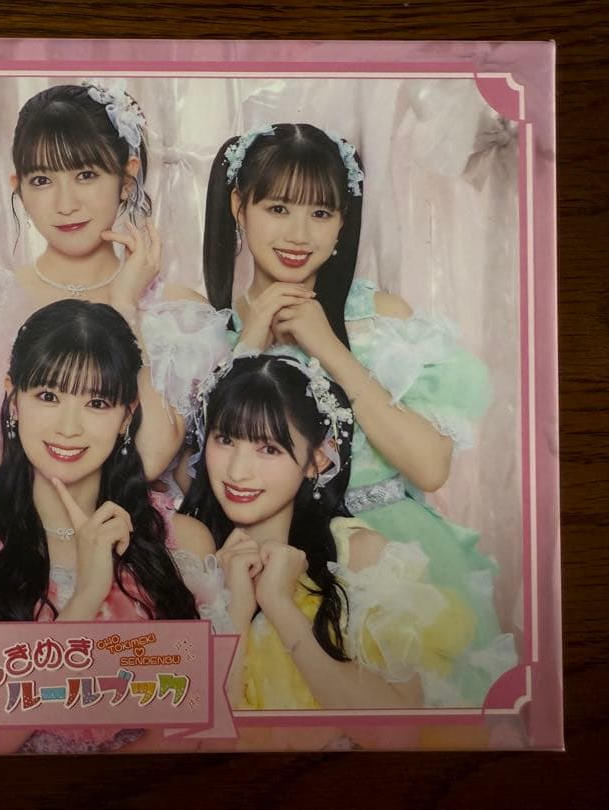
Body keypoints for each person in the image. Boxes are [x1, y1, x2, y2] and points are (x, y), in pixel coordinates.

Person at [199, 123, 515, 705]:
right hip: (263, 558)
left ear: (343, 222)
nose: (299, 234)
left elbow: (431, 468)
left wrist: (329, 347)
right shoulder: (207, 330)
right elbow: (196, 477)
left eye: (321, 213)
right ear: (239, 206)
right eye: (278, 208)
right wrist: (249, 346)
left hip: (389, 555)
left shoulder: (381, 318)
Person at [0, 300, 223, 753]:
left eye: (96, 402)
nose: (69, 427)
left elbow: (196, 739)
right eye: (48, 396)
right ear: (13, 399)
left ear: (127, 414)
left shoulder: (182, 547)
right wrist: (88, 594)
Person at [0, 82, 229, 510]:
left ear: (126, 179)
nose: (65, 203)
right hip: (5, 541)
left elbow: (148, 460)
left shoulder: (179, 317)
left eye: (86, 175)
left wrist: (125, 305)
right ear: (18, 187)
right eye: (42, 180)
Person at [181, 354, 484, 710]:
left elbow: (398, 730)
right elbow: (194, 722)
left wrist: (280, 605)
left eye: (269, 449)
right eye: (225, 439)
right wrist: (235, 613)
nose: (237, 471)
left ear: (317, 460)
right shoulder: (188, 555)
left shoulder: (360, 558)